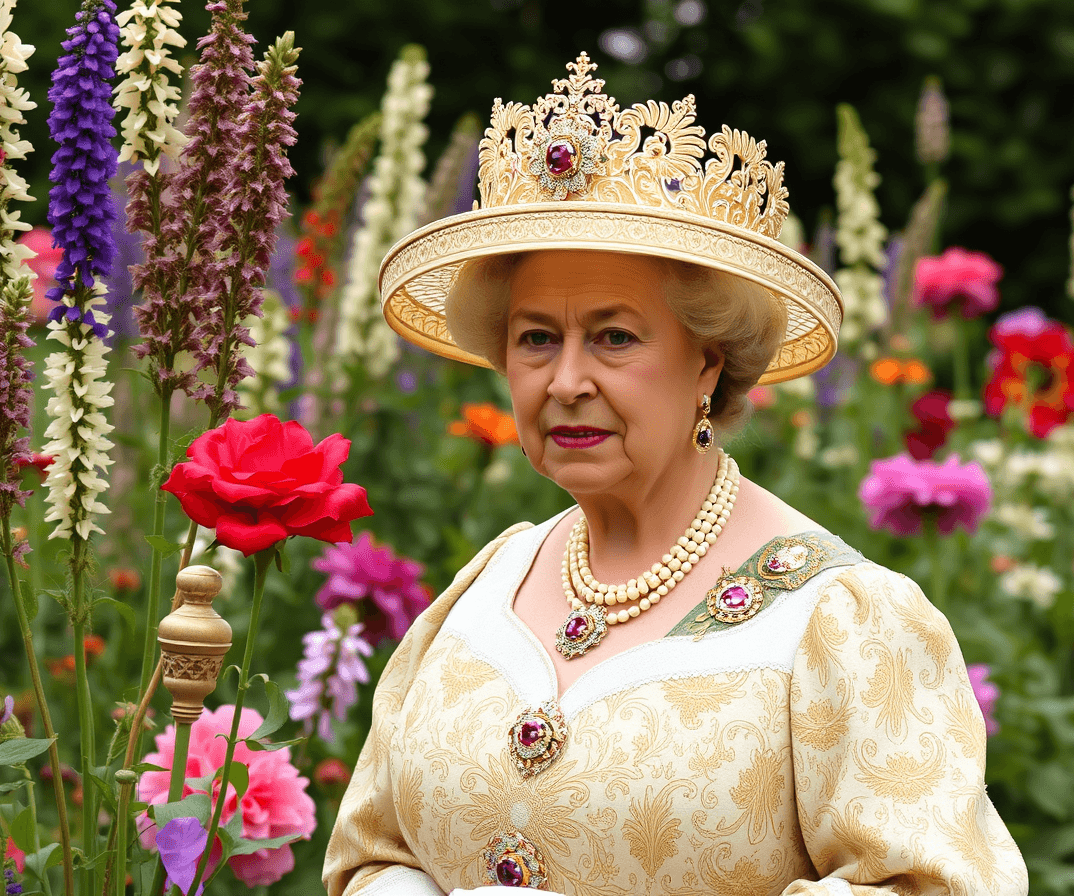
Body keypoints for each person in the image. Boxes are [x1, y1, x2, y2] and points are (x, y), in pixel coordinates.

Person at [324, 53, 1028, 896]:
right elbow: (372, 856)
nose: (565, 380)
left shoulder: (842, 620)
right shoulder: (487, 586)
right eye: (536, 337)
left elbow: (933, 886)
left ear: (708, 363)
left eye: (615, 337)